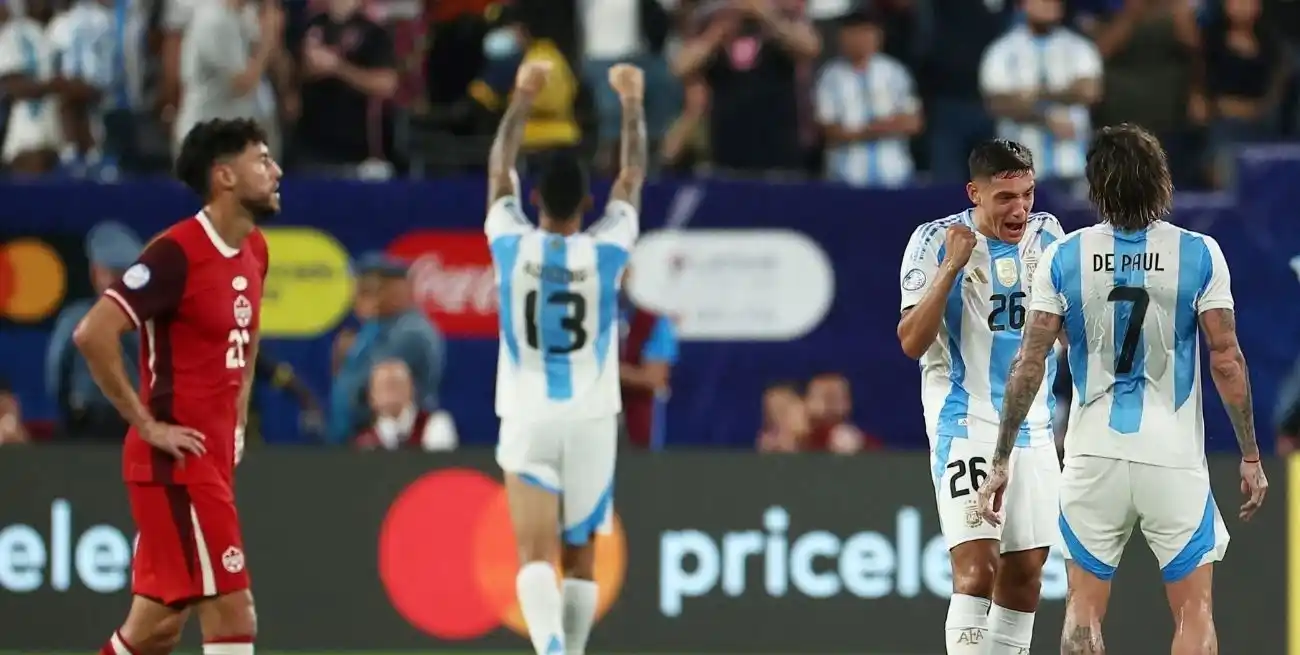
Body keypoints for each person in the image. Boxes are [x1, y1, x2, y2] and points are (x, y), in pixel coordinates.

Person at [976, 124, 1268, 654]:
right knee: (1194, 610)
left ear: (1096, 187)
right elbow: (1227, 360)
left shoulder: (1063, 257)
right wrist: (1250, 453)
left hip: (1092, 454)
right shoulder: (1199, 253)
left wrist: (1000, 458)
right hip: (1171, 455)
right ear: (1161, 180)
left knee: (1083, 610)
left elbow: (1030, 362)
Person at [72, 117, 280, 655]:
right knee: (235, 613)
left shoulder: (255, 250)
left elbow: (247, 337)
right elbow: (93, 333)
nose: (276, 171)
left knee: (155, 630)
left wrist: (235, 417)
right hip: (176, 466)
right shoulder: (176, 253)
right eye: (261, 159)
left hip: (209, 461)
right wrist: (146, 424)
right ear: (224, 176)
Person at [484, 59, 645, 655]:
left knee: (532, 554)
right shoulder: (607, 248)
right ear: (587, 200)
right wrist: (631, 103)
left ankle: (549, 645)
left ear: (534, 198)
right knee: (579, 556)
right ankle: (568, 651)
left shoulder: (509, 239)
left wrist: (523, 96)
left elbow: (498, 165)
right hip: (591, 418)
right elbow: (631, 175)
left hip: (528, 412)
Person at [896, 139, 1065, 655]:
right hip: (964, 418)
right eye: (1005, 197)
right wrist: (951, 267)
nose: (1019, 209)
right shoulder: (933, 240)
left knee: (1025, 577)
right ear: (975, 192)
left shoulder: (1050, 234)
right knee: (977, 570)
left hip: (1032, 425)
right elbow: (910, 342)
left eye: (1027, 195)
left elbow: (1067, 327)